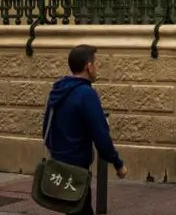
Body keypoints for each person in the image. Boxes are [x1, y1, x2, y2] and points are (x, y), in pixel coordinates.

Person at [44, 45, 126, 215]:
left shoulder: (58, 90)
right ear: (89, 66)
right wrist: (118, 163)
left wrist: (58, 152)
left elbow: (46, 127)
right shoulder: (86, 94)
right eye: (96, 64)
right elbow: (101, 135)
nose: (97, 69)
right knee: (80, 209)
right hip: (78, 168)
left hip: (59, 164)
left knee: (73, 209)